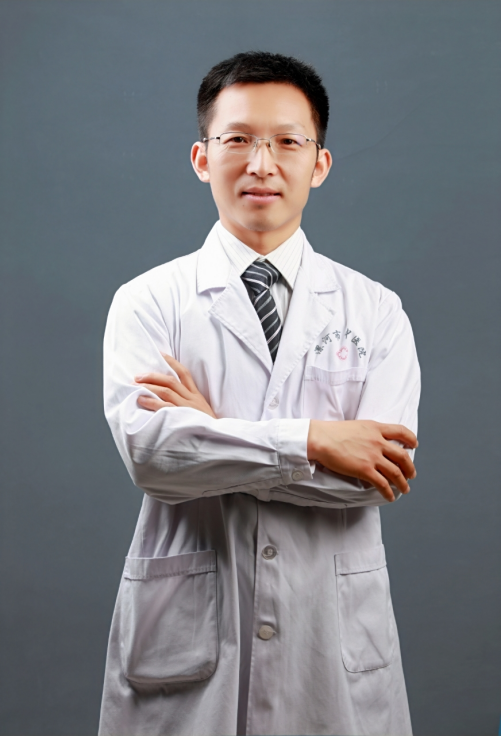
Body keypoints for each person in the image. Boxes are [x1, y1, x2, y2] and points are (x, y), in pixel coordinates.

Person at [98, 51, 420, 736]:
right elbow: (153, 458)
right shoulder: (149, 302)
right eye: (238, 139)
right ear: (201, 157)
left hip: (331, 641)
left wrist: (212, 432)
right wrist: (314, 441)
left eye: (286, 142)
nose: (261, 163)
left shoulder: (375, 310)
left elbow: (377, 475)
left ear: (319, 164)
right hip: (190, 642)